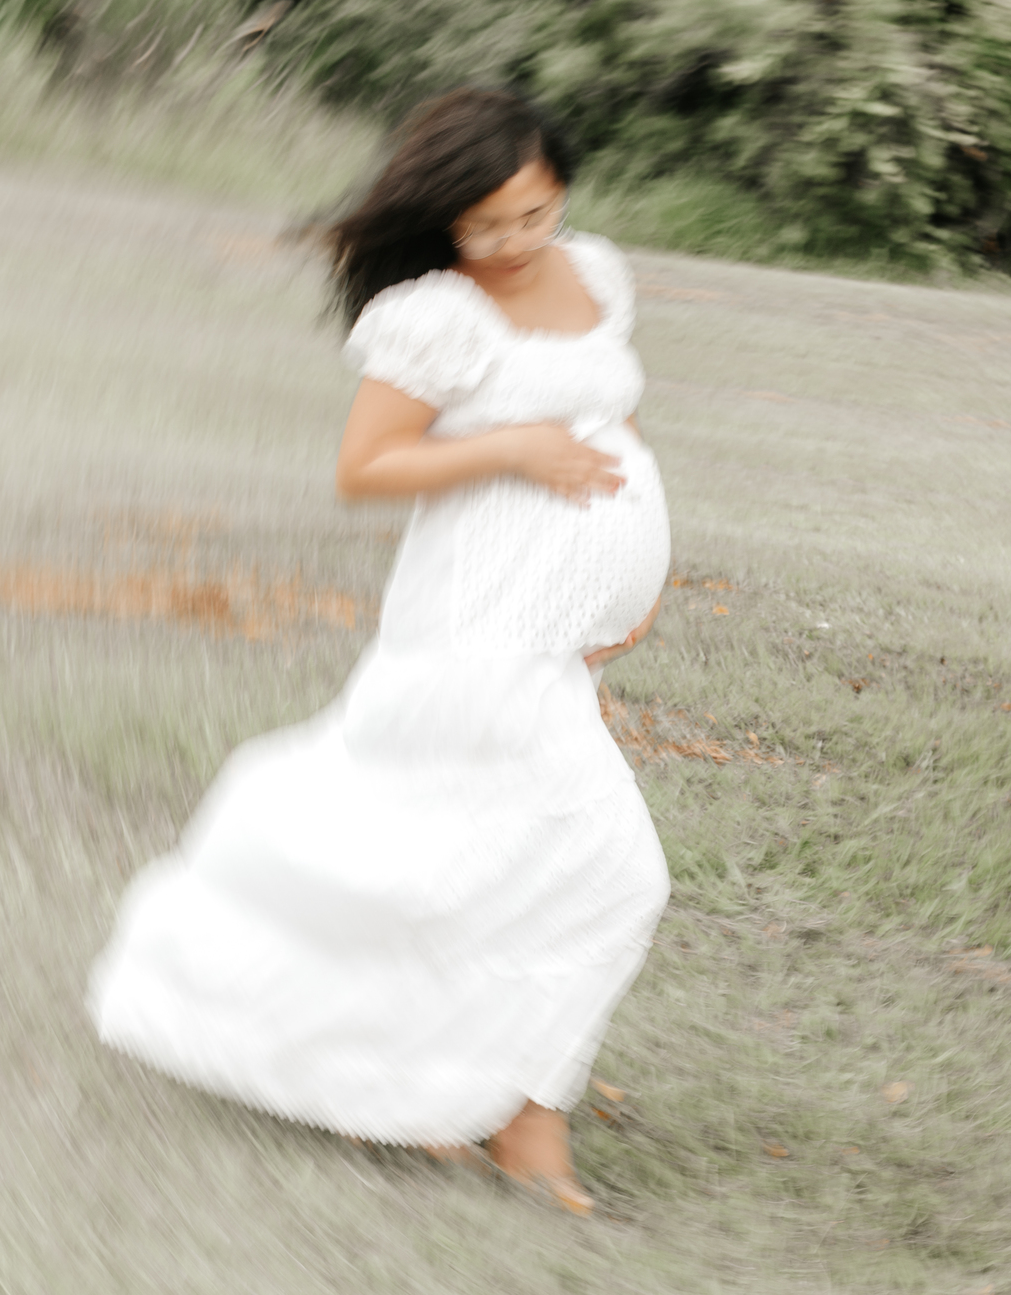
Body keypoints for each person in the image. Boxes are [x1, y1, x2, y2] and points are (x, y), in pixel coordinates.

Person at [88, 86, 673, 1214]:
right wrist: (511, 448)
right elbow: (366, 471)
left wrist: (637, 577)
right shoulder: (435, 314)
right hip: (475, 622)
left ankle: (438, 1087)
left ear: (563, 190)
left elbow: (615, 421)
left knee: (474, 853)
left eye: (535, 213)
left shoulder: (595, 274)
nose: (515, 241)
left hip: (555, 634)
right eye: (486, 224)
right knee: (611, 870)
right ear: (445, 216)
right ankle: (525, 1124)